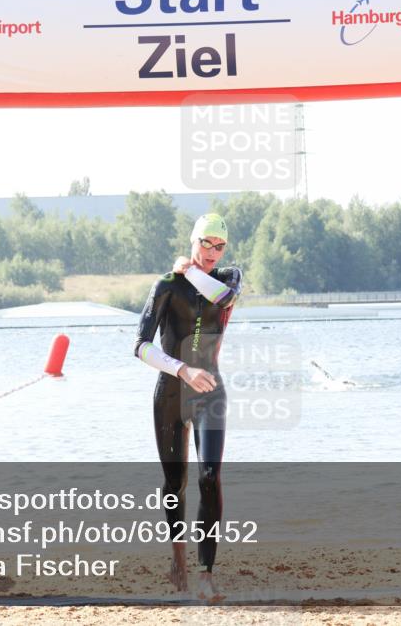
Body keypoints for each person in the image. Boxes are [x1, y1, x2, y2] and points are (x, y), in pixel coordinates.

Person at [133, 213, 242, 602]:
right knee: (174, 483)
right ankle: (177, 556)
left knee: (210, 477)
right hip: (172, 392)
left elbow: (223, 299)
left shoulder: (228, 279)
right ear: (193, 240)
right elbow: (140, 346)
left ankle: (206, 574)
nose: (212, 252)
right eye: (206, 243)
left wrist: (190, 270)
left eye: (220, 246)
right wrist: (182, 369)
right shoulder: (165, 286)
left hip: (211, 389)